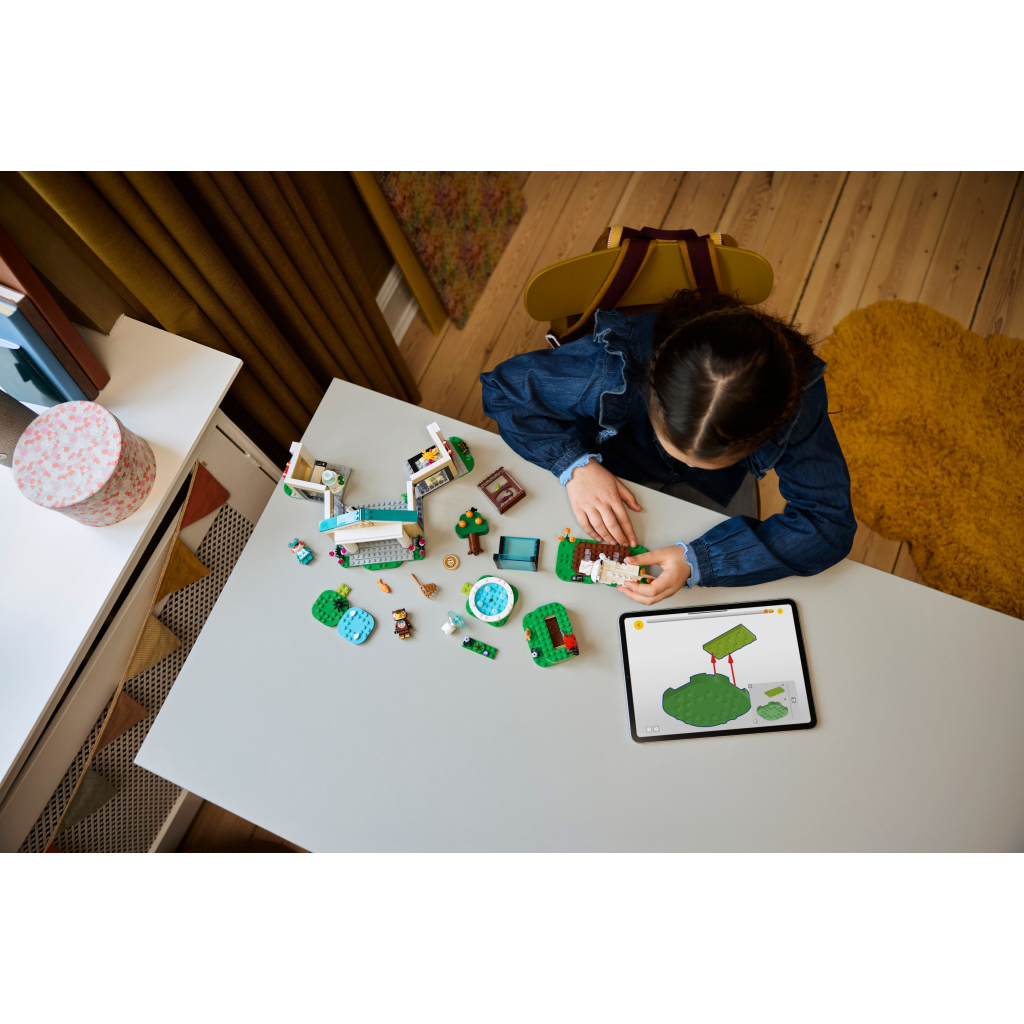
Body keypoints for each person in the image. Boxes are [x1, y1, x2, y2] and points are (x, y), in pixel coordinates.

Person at [479, 289, 857, 605]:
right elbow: (503, 391)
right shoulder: (612, 368)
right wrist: (574, 465)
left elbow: (828, 525)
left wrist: (699, 562)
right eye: (675, 445)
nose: (686, 462)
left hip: (711, 489)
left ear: (763, 438)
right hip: (610, 458)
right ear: (651, 391)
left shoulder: (795, 403)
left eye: (703, 458)